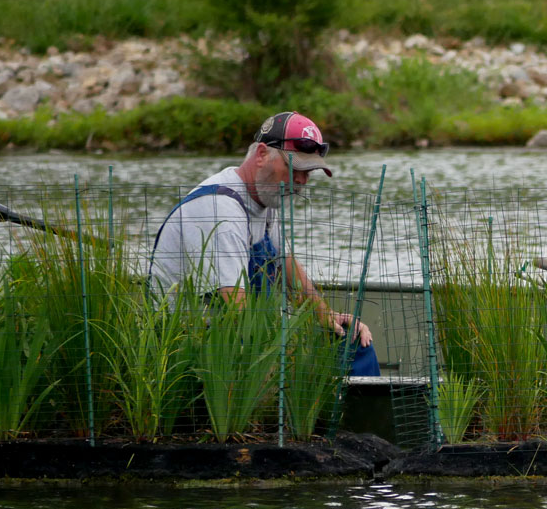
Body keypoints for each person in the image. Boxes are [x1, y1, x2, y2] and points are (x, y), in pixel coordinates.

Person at [147, 111, 379, 376]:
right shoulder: (220, 208)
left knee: (350, 342)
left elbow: (286, 266)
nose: (301, 181)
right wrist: (294, 349)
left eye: (308, 171)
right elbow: (237, 309)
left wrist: (327, 317)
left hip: (240, 336)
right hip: (192, 348)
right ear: (261, 155)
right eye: (294, 168)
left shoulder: (263, 198)